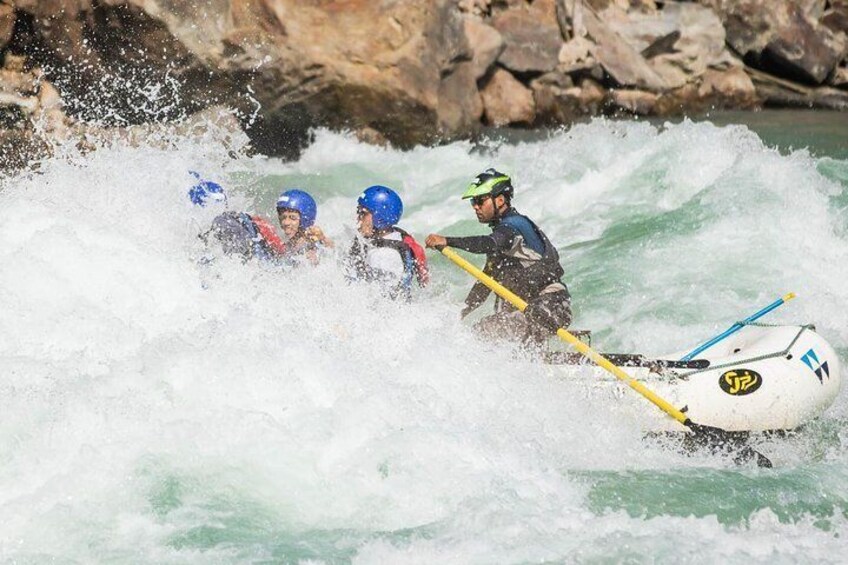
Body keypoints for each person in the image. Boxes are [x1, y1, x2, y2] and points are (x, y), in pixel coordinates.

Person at [425, 168, 571, 347]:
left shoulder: (513, 227)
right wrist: (458, 314)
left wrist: (447, 241)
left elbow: (487, 243)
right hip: (525, 311)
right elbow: (484, 284)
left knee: (503, 328)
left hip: (550, 307)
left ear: (500, 200)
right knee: (480, 331)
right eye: (473, 202)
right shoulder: (501, 242)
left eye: (480, 200)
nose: (475, 207)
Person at [345, 185, 428, 299]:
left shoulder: (383, 255)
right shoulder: (396, 236)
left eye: (363, 213)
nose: (358, 219)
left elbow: (375, 300)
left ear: (380, 217)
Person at [275, 189, 334, 265]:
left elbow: (331, 249)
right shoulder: (289, 244)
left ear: (306, 218)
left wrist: (323, 238)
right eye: (283, 217)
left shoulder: (310, 240)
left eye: (292, 218)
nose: (286, 222)